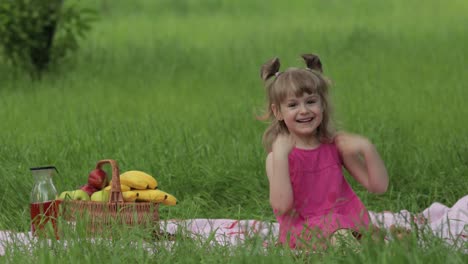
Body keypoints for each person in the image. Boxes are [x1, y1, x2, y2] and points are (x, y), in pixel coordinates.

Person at [258, 54, 389, 249]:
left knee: (360, 237)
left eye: (310, 101)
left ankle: (360, 248)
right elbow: (282, 206)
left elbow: (378, 186)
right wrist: (280, 155)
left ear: (322, 104)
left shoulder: (334, 145)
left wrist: (367, 147)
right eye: (293, 105)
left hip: (345, 220)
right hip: (304, 230)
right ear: (278, 112)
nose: (304, 110)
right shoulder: (278, 157)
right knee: (343, 238)